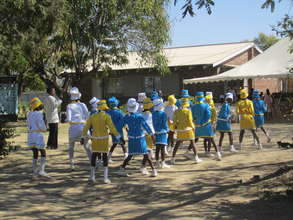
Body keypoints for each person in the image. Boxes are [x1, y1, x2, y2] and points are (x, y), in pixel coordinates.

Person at [82, 99, 121, 184]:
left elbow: (86, 127)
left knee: (94, 155)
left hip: (95, 138)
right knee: (104, 156)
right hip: (104, 139)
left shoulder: (92, 116)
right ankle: (105, 178)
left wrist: (83, 136)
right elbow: (112, 127)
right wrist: (118, 136)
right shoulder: (106, 116)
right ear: (104, 107)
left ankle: (92, 177)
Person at [118, 98, 158, 177]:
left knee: (130, 155)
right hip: (141, 139)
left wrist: (120, 137)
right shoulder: (140, 116)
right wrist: (152, 136)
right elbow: (146, 127)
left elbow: (118, 127)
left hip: (131, 139)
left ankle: (122, 169)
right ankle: (153, 171)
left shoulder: (126, 117)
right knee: (146, 154)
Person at [66, 87, 92, 170]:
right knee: (87, 146)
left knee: (71, 146)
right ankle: (92, 162)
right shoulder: (83, 105)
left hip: (73, 128)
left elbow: (69, 119)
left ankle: (71, 164)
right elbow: (88, 116)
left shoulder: (69, 106)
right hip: (83, 127)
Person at [192, 92, 222, 161]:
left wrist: (197, 122)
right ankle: (218, 154)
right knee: (211, 139)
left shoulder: (193, 106)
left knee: (194, 140)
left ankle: (191, 153)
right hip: (207, 126)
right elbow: (208, 115)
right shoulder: (206, 106)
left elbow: (193, 117)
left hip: (198, 126)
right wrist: (205, 122)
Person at [172, 99, 202, 164]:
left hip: (180, 130)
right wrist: (193, 127)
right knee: (193, 143)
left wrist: (174, 128)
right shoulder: (188, 111)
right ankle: (196, 158)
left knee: (177, 144)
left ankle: (173, 158)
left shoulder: (176, 111)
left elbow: (174, 121)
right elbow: (190, 120)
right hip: (188, 129)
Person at [27, 97, 50, 178]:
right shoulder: (39, 114)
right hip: (38, 135)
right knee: (43, 151)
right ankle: (42, 170)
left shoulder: (29, 114)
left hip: (30, 135)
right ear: (38, 106)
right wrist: (45, 127)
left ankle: (34, 172)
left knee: (35, 153)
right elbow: (41, 126)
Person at [107, 97, 127, 162]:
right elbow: (124, 120)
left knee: (114, 143)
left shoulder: (109, 112)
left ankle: (109, 156)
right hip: (119, 130)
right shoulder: (120, 112)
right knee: (122, 143)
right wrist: (126, 128)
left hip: (112, 130)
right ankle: (126, 155)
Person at [152, 98, 170, 168]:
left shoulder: (153, 113)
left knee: (157, 148)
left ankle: (157, 162)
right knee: (162, 148)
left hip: (155, 132)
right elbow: (165, 124)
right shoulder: (163, 113)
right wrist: (167, 130)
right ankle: (163, 163)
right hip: (162, 132)